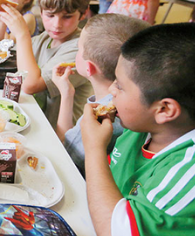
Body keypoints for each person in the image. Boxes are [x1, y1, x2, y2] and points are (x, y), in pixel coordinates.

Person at [81, 23, 195, 236]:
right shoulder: (139, 126)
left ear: (164, 109)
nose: (111, 90)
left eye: (120, 86)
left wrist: (94, 148)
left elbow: (116, 230)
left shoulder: (188, 174)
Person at [0, 0, 95, 128]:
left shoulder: (81, 48)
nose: (56, 24)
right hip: (40, 123)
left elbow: (30, 85)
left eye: (67, 17)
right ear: (41, 11)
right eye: (50, 15)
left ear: (83, 14)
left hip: (63, 140)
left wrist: (22, 34)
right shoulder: (44, 39)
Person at [52, 14, 150, 176]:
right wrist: (67, 93)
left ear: (89, 68)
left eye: (78, 48)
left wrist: (65, 96)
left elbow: (64, 152)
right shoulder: (132, 104)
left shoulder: (102, 114)